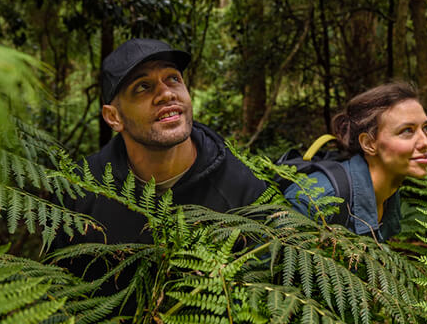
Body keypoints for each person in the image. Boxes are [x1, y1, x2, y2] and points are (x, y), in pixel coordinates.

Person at [67, 38, 275, 245]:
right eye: (142, 87)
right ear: (114, 117)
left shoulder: (240, 186)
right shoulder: (79, 191)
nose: (166, 94)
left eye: (173, 79)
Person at [284, 82, 427, 242]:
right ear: (369, 144)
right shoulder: (315, 200)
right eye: (407, 131)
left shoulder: (390, 191)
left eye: (425, 128)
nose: (426, 142)